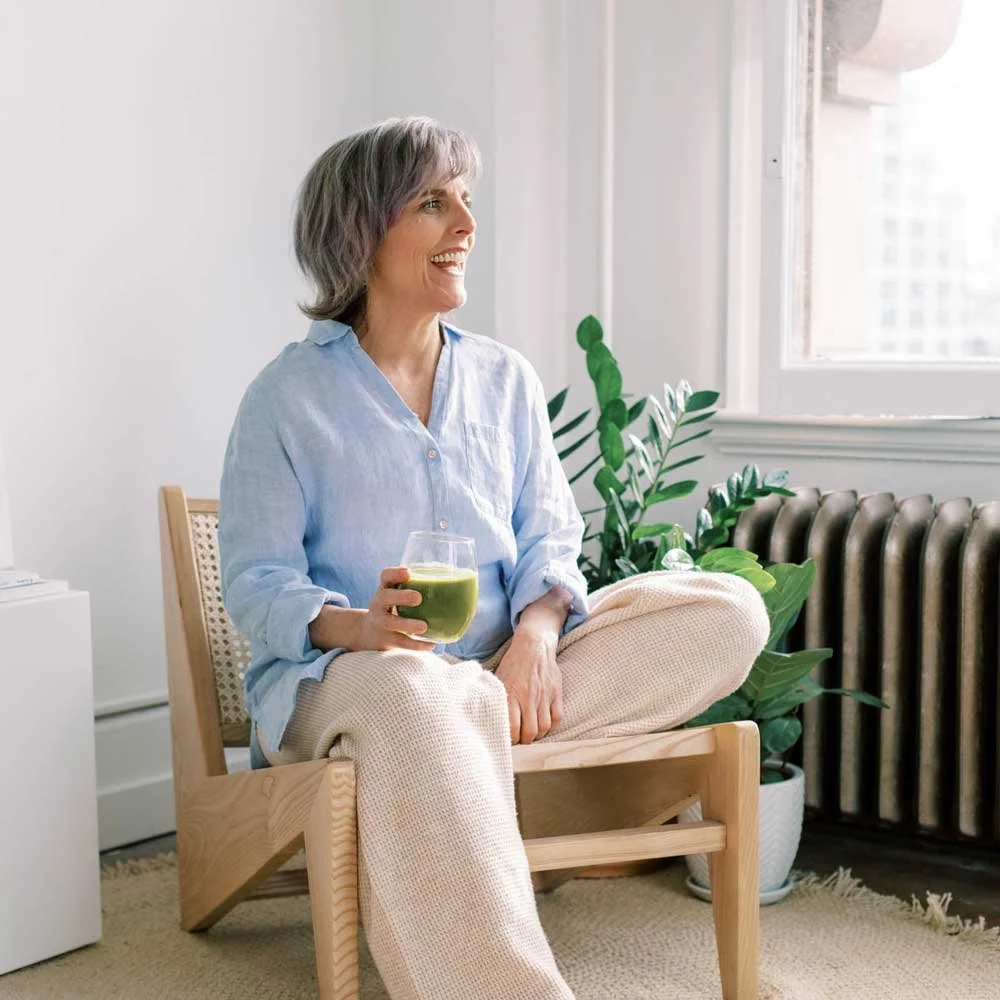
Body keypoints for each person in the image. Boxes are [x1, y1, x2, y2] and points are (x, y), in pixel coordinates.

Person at [219, 116, 770, 1000]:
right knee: (413, 689)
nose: (466, 227)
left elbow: (553, 536)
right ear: (361, 230)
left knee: (728, 611)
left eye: (467, 202)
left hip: (504, 679)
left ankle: (466, 726)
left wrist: (538, 636)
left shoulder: (506, 380)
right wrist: (362, 626)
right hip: (353, 679)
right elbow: (254, 582)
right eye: (434, 203)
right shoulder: (286, 397)